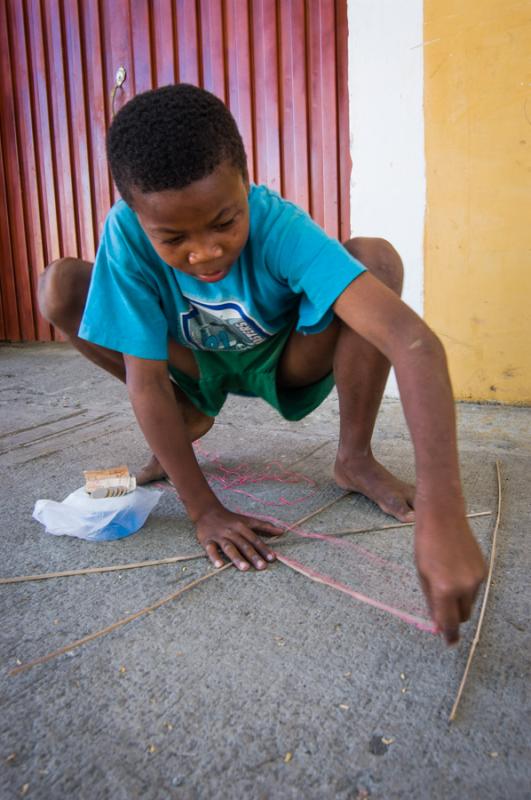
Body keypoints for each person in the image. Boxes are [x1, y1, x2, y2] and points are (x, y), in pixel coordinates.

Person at [38, 84, 486, 644]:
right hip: (191, 360)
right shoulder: (125, 235)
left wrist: (445, 511)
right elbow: (144, 380)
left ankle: (354, 457)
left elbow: (413, 343)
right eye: (173, 238)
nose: (204, 252)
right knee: (58, 286)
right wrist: (203, 510)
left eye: (224, 222)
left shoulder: (278, 224)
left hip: (285, 356)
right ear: (136, 214)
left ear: (246, 184)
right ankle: (188, 414)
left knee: (373, 257)